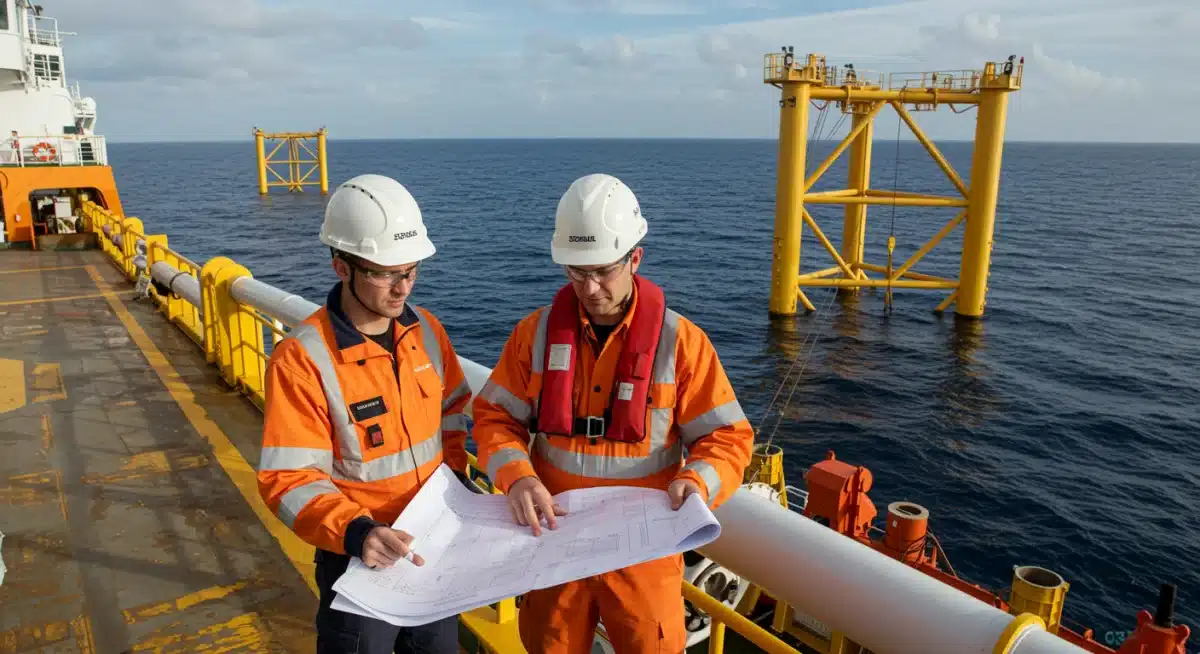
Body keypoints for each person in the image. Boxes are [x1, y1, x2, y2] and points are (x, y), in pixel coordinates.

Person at [471, 173, 756, 653]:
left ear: (634, 258)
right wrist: (517, 477)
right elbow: (495, 418)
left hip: (642, 551)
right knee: (547, 645)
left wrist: (700, 482)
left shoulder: (680, 343)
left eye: (603, 271)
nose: (591, 287)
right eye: (577, 273)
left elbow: (728, 435)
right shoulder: (534, 335)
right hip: (554, 540)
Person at [257, 174, 472, 654]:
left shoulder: (428, 332)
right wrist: (357, 533)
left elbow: (454, 412)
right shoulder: (303, 358)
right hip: (359, 560)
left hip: (432, 547)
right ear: (342, 266)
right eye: (385, 274)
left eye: (411, 271)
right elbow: (288, 479)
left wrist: (455, 482)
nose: (403, 289)